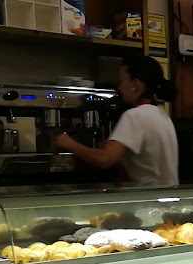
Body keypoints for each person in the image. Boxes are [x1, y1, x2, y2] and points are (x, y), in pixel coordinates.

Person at [54, 55, 179, 186]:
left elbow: (104, 159)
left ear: (135, 85)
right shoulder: (162, 115)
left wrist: (68, 143)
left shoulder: (134, 115)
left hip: (148, 197)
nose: (119, 88)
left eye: (121, 81)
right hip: (168, 195)